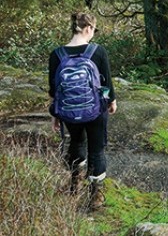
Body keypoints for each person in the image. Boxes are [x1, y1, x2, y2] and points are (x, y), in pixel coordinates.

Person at [48, 12, 117, 211]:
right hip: (95, 110)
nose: (93, 34)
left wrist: (55, 114)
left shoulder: (57, 54)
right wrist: (111, 101)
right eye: (94, 30)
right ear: (88, 28)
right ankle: (96, 196)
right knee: (96, 148)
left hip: (68, 111)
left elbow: (53, 88)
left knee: (76, 141)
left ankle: (74, 184)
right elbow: (107, 83)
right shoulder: (98, 52)